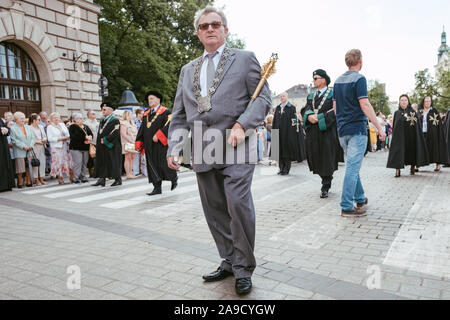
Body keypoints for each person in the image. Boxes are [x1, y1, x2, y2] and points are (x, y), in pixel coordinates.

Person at [166, 6, 271, 295]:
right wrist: (174, 146)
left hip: (237, 141)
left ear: (226, 29)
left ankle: (243, 267)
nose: (210, 29)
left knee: (237, 203)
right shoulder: (187, 70)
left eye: (215, 24)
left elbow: (262, 99)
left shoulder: (245, 59)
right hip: (202, 144)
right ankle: (229, 259)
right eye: (204, 26)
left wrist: (242, 124)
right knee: (214, 209)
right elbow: (179, 115)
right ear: (198, 33)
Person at [333, 49, 386, 217]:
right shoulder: (360, 79)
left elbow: (335, 109)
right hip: (357, 129)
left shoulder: (337, 81)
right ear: (360, 61)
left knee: (352, 166)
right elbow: (364, 104)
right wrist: (379, 127)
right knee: (352, 168)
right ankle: (346, 206)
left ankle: (360, 197)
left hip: (342, 130)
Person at [302, 69, 341, 198]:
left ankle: (326, 184)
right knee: (316, 157)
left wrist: (320, 118)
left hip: (327, 131)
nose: (313, 81)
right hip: (314, 131)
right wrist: (308, 116)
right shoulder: (311, 96)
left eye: (315, 78)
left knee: (326, 157)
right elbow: (306, 108)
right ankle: (324, 178)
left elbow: (336, 111)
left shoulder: (333, 94)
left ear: (323, 80)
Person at [135, 91, 177, 194]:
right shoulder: (146, 114)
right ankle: (157, 187)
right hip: (149, 144)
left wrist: (159, 134)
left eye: (152, 98)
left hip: (161, 143)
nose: (150, 100)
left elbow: (170, 125)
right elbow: (142, 128)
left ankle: (173, 178)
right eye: (149, 99)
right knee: (152, 165)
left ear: (158, 100)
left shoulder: (166, 112)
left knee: (163, 164)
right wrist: (139, 141)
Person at [386, 94, 429, 177]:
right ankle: (397, 170)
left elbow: (417, 126)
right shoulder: (397, 113)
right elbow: (395, 126)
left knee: (412, 151)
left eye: (405, 100)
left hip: (411, 136)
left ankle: (413, 167)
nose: (403, 102)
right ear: (399, 102)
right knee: (398, 152)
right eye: (402, 100)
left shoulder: (413, 112)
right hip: (400, 137)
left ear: (408, 101)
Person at [272, 92, 306, 175]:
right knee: (279, 152)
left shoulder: (291, 108)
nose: (282, 98)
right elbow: (275, 121)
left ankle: (286, 169)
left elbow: (294, 121)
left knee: (286, 152)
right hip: (278, 133)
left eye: (283, 96)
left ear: (287, 97)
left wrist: (292, 132)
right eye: (280, 96)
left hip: (287, 133)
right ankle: (281, 168)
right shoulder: (278, 108)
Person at [92, 102, 123, 187]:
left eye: (104, 109)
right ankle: (102, 179)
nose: (102, 111)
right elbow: (100, 132)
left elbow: (115, 133)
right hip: (102, 145)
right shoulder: (102, 120)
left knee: (114, 162)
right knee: (102, 161)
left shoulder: (115, 120)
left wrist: (106, 140)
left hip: (112, 145)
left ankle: (118, 179)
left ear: (110, 110)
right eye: (102, 109)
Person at [418, 96, 449, 171]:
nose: (428, 103)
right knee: (421, 148)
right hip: (422, 132)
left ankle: (437, 164)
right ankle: (417, 165)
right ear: (423, 102)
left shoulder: (434, 111)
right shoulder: (420, 111)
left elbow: (438, 123)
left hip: (433, 133)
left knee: (434, 148)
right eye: (426, 101)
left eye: (429, 101)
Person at [10, 112, 35, 188]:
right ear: (16, 119)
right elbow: (14, 140)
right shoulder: (13, 128)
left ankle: (28, 181)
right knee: (20, 167)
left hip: (29, 150)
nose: (23, 119)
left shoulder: (29, 127)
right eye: (21, 118)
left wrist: (30, 145)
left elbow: (32, 138)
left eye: (23, 118)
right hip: (19, 150)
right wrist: (23, 146)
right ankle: (20, 181)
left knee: (28, 166)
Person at [47, 113, 72, 185]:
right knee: (57, 162)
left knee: (65, 161)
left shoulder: (62, 125)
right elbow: (50, 138)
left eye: (57, 117)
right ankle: (60, 177)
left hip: (64, 145)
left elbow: (67, 134)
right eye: (54, 117)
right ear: (51, 119)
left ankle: (68, 176)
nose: (56, 119)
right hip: (56, 147)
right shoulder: (50, 127)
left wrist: (66, 138)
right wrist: (60, 139)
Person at [69, 113, 93, 184]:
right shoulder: (73, 126)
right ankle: (76, 178)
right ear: (75, 120)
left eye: (81, 118)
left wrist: (91, 137)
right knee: (78, 163)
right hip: (76, 147)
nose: (81, 120)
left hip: (85, 147)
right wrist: (85, 137)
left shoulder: (86, 126)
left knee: (84, 163)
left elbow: (91, 134)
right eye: (78, 118)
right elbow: (74, 136)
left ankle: (84, 177)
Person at [29, 113, 47, 186]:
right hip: (34, 147)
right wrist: (37, 142)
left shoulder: (41, 127)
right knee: (35, 162)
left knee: (42, 162)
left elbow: (45, 136)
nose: (40, 121)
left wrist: (44, 140)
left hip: (42, 146)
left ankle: (42, 178)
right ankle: (36, 179)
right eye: (39, 119)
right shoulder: (29, 127)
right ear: (34, 120)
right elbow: (30, 139)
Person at [120, 110, 138, 179]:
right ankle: (128, 174)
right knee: (127, 158)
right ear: (127, 115)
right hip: (127, 142)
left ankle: (131, 173)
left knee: (132, 158)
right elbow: (123, 134)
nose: (132, 115)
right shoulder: (123, 123)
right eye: (131, 114)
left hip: (133, 142)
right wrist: (130, 140)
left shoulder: (133, 124)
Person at [0, 117, 15, 191]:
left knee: (5, 164)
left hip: (3, 145)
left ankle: (6, 185)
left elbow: (6, 128)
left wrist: (6, 129)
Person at [84, 109, 99, 177]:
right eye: (93, 114)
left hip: (97, 141)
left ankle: (97, 171)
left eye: (95, 114)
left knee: (97, 157)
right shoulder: (86, 123)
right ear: (89, 115)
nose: (94, 115)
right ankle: (91, 171)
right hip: (91, 142)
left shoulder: (97, 122)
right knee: (91, 158)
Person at [132, 108, 144, 176]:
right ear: (138, 114)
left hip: (143, 140)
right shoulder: (134, 121)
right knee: (136, 156)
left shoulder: (143, 121)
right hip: (136, 140)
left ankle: (143, 170)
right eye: (141, 113)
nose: (142, 115)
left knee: (143, 156)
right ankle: (136, 172)